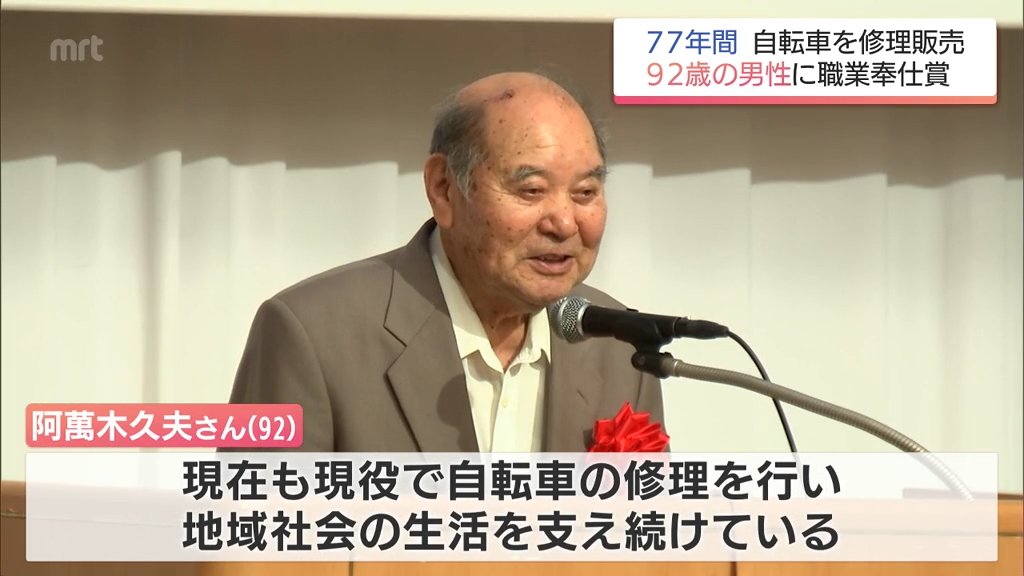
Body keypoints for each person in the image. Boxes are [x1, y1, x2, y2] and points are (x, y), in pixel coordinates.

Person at [228, 71, 665, 452]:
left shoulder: (621, 346)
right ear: (444, 188)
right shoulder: (311, 335)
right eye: (531, 190)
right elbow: (251, 518)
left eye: (585, 193)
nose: (564, 222)